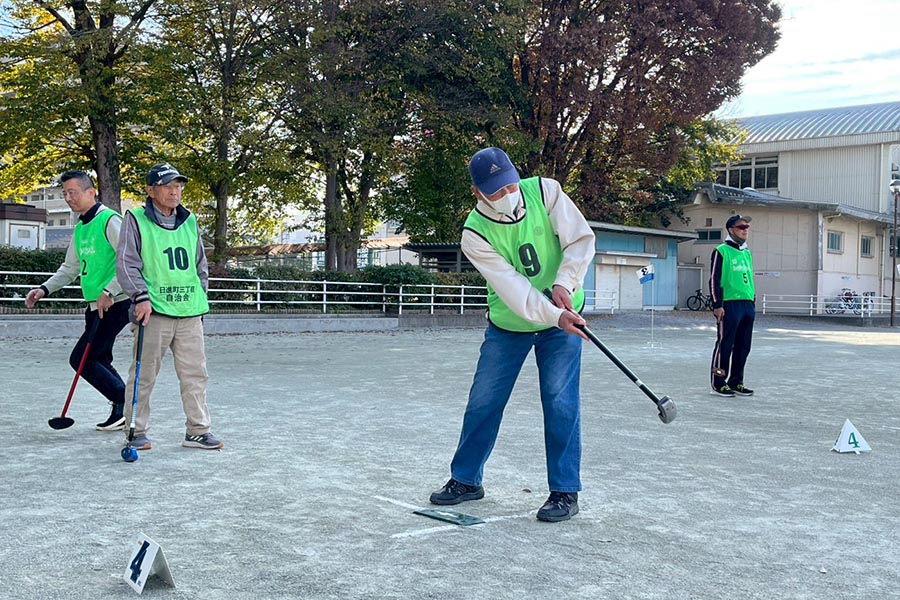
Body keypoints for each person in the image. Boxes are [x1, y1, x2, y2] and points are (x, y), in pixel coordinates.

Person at [429, 147, 595, 522]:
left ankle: (565, 491)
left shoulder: (547, 191)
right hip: (511, 323)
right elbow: (513, 288)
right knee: (484, 400)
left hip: (566, 314)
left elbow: (579, 241)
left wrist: (565, 283)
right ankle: (466, 480)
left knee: (560, 400)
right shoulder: (474, 233)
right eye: (495, 191)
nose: (506, 196)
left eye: (509, 186)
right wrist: (553, 315)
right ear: (477, 193)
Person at [116, 163, 223, 451]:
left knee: (196, 374)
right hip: (153, 313)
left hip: (189, 312)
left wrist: (200, 299)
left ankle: (198, 430)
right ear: (151, 191)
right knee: (144, 375)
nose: (174, 190)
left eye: (178, 185)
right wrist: (140, 297)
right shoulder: (135, 219)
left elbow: (200, 265)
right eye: (167, 185)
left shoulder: (190, 221)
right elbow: (127, 263)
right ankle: (135, 430)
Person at [24, 170, 131, 431]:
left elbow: (129, 259)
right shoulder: (82, 227)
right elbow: (70, 268)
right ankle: (123, 409)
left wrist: (109, 290)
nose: (68, 198)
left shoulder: (110, 221)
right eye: (65, 194)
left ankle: (124, 402)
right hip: (94, 306)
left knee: (82, 359)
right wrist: (44, 289)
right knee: (100, 359)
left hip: (115, 303)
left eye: (72, 192)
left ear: (91, 192)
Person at [709, 214, 756, 397]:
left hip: (747, 304)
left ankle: (736, 382)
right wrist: (717, 304)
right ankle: (719, 382)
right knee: (725, 344)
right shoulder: (721, 251)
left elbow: (749, 278)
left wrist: (752, 300)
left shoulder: (747, 253)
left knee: (743, 346)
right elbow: (714, 279)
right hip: (729, 304)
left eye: (747, 227)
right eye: (741, 227)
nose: (745, 229)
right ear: (731, 230)